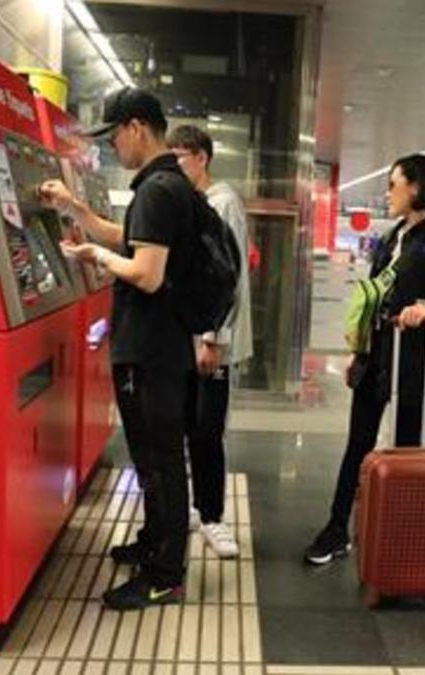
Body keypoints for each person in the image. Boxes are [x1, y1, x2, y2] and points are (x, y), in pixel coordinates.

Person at [40, 87, 195, 610]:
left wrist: (93, 257)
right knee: (153, 458)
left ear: (136, 127)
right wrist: (75, 208)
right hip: (160, 346)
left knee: (160, 459)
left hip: (152, 349)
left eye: (114, 138)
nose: (112, 150)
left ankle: (164, 574)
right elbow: (131, 239)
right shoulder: (164, 183)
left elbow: (146, 275)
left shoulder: (157, 189)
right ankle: (155, 543)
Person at [304, 154, 425, 566]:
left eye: (393, 184)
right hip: (376, 356)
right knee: (357, 444)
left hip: (413, 364)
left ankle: (402, 536)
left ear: (416, 188)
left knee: (407, 450)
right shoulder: (390, 238)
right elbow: (372, 299)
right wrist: (357, 352)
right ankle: (336, 528)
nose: (387, 193)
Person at [166, 124, 253, 559]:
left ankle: (214, 517)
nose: (175, 165)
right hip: (191, 338)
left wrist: (213, 338)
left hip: (212, 341)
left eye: (180, 157)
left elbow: (227, 278)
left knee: (206, 430)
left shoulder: (224, 204)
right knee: (190, 426)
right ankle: (197, 509)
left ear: (201, 157)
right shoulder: (196, 204)